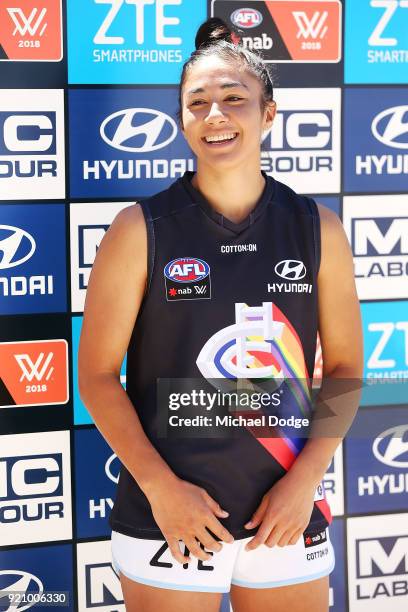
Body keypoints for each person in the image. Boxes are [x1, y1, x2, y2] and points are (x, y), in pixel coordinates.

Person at [78, 17, 363, 612]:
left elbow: (344, 373)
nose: (215, 114)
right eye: (197, 102)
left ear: (268, 114)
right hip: (170, 516)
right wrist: (162, 491)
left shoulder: (318, 230)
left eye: (234, 98)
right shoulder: (140, 228)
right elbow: (98, 377)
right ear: (181, 119)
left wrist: (304, 482)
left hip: (283, 512)